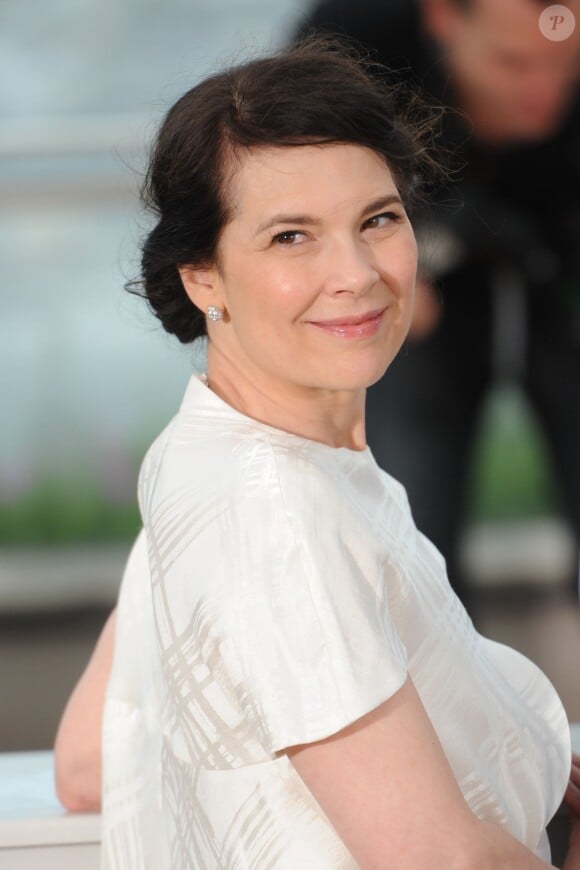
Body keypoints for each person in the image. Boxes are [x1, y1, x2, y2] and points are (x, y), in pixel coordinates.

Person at [54, 38, 579, 868]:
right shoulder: (279, 517)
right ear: (203, 277)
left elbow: (88, 764)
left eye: (378, 219)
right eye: (291, 237)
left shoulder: (205, 457)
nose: (358, 273)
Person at [294, 0, 580, 603]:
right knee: (414, 532)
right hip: (415, 287)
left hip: (562, 268)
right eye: (514, 62)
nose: (544, 87)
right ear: (443, 19)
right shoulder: (351, 41)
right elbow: (292, 181)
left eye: (566, 62)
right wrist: (375, 267)